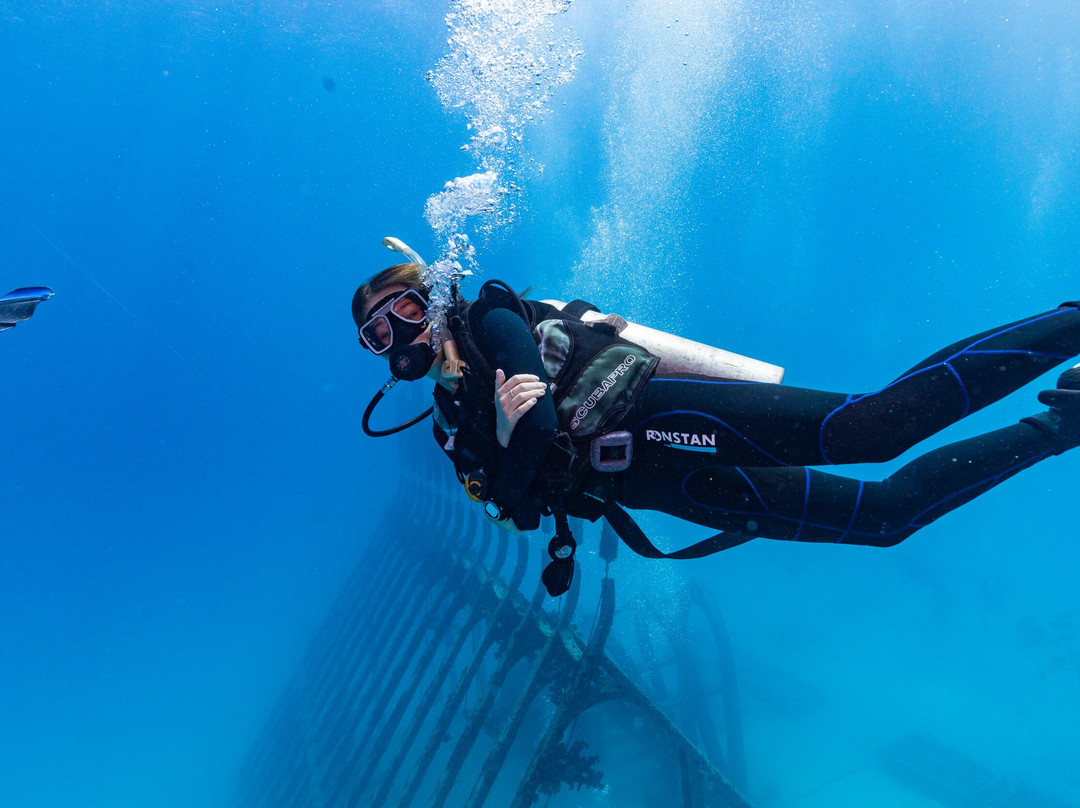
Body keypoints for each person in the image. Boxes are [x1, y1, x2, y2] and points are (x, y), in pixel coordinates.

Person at [352, 247, 1080, 594]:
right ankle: (1063, 424)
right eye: (376, 335)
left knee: (873, 428)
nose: (398, 336)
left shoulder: (490, 317)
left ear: (432, 299)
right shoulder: (451, 419)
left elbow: (535, 443)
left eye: (404, 310)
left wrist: (519, 449)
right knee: (885, 519)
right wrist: (512, 452)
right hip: (657, 487)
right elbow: (511, 516)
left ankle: (1070, 323)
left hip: (664, 418)